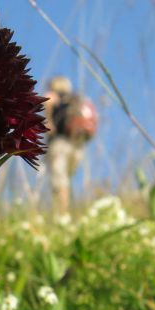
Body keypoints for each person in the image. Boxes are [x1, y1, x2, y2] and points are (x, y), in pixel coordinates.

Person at [44, 76, 98, 213]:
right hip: (77, 145)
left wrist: (48, 119)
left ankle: (62, 214)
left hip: (60, 144)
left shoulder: (52, 96)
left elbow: (48, 121)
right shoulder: (76, 99)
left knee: (59, 181)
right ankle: (66, 212)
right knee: (66, 179)